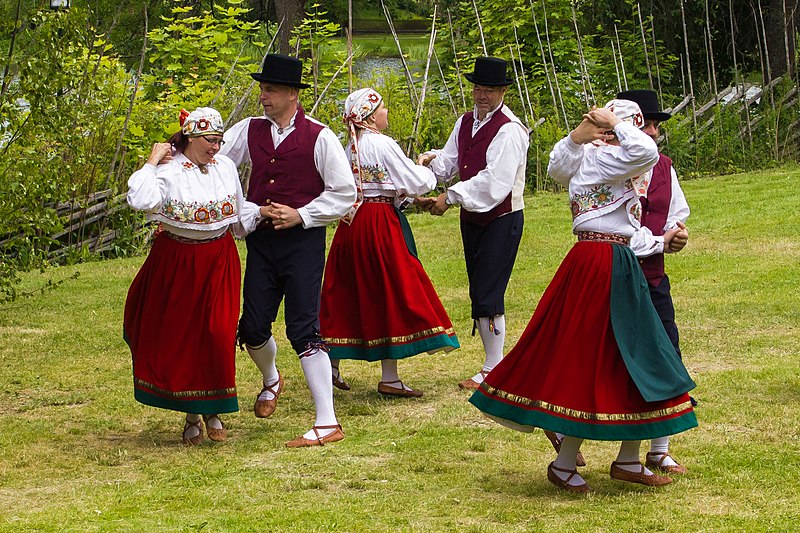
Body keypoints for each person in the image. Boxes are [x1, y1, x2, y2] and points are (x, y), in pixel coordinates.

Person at [468, 99, 697, 493]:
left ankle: (613, 458)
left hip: (606, 258)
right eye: (634, 127)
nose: (642, 135)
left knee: (618, 359)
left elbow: (563, 165)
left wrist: (579, 136)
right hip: (603, 262)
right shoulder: (605, 160)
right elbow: (645, 152)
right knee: (607, 356)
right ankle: (579, 461)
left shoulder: (590, 157)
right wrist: (606, 129)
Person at [218, 54, 357, 447]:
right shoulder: (248, 130)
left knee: (303, 327)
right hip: (262, 241)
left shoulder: (320, 136)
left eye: (271, 90)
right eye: (263, 89)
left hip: (303, 244)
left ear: (292, 95)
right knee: (253, 326)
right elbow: (214, 165)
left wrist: (303, 214)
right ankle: (271, 378)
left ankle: (327, 421)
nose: (263, 96)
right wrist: (250, 210)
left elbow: (344, 193)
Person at [124, 107, 261, 445]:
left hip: (219, 257)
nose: (216, 147)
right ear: (191, 137)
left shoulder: (225, 167)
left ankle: (213, 409)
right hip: (178, 259)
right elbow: (139, 199)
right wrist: (153, 161)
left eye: (219, 140)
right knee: (186, 336)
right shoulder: (168, 171)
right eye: (210, 141)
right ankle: (193, 415)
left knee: (217, 331)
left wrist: (260, 217)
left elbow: (239, 211)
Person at [319, 88, 460, 397]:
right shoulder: (382, 144)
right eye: (382, 109)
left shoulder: (348, 148)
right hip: (379, 222)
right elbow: (415, 181)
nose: (386, 113)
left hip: (350, 224)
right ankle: (389, 375)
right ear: (370, 117)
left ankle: (332, 364)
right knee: (390, 289)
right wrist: (424, 167)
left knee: (347, 289)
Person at [417, 56, 529, 390]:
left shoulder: (510, 130)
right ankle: (491, 364)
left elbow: (495, 182)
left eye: (489, 89)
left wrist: (449, 197)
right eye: (478, 88)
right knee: (478, 288)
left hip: (502, 217)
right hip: (474, 218)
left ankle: (494, 368)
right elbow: (450, 161)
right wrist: (421, 177)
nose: (481, 95)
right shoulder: (466, 122)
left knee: (488, 291)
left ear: (503, 91)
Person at [620, 88, 693, 475]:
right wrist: (658, 240)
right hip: (614, 278)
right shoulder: (609, 167)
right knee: (609, 359)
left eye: (653, 125)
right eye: (642, 124)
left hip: (654, 277)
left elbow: (674, 217)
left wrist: (675, 237)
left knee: (666, 353)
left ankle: (659, 448)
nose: (650, 132)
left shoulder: (664, 166)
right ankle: (570, 433)